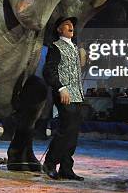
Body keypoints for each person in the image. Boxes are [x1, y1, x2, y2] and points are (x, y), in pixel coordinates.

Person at [42, 17, 85, 181]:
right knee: (65, 129)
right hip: (65, 94)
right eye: (66, 24)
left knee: (73, 133)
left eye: (72, 24)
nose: (70, 26)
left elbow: (76, 70)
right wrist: (60, 88)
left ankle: (66, 167)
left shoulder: (74, 47)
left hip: (77, 94)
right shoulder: (55, 47)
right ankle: (50, 163)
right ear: (59, 30)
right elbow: (49, 71)